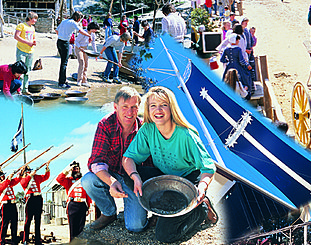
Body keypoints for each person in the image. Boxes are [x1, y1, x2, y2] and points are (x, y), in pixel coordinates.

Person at [121, 86, 217, 243]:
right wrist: (135, 177)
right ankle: (164, 210)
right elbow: (128, 158)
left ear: (171, 108)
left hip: (187, 179)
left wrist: (201, 188)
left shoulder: (186, 135)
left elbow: (208, 168)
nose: (157, 110)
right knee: (128, 175)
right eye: (153, 105)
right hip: (165, 177)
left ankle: (201, 209)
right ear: (148, 109)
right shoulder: (148, 129)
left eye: (163, 105)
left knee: (165, 236)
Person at [81, 87, 148, 232]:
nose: (129, 112)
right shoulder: (105, 124)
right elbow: (96, 161)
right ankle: (109, 212)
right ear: (115, 107)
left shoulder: (144, 128)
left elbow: (150, 163)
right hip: (110, 174)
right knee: (88, 180)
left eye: (134, 107)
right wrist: (112, 182)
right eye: (125, 107)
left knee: (136, 227)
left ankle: (136, 209)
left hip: (133, 177)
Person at [56, 161, 92, 242]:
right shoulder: (68, 181)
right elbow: (59, 179)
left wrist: (89, 206)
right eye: (74, 169)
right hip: (72, 205)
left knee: (81, 228)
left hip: (82, 205)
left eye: (77, 168)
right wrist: (68, 170)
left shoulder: (83, 180)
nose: (76, 170)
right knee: (73, 228)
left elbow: (88, 194)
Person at [55, 11, 92, 89]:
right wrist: (89, 35)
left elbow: (56, 30)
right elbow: (81, 31)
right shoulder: (73, 23)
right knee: (64, 63)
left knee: (63, 62)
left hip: (59, 42)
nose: (80, 20)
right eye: (80, 19)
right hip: (65, 43)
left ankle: (62, 80)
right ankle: (61, 82)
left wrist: (63, 35)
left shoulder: (64, 21)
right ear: (77, 18)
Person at [20, 165, 50, 245]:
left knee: (38, 220)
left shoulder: (36, 177)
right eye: (28, 171)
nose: (29, 172)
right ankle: (25, 239)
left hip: (38, 198)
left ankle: (37, 240)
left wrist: (47, 169)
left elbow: (45, 177)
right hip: (30, 199)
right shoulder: (24, 179)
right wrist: (30, 175)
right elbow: (23, 183)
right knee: (28, 220)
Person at [220, 34, 253, 99]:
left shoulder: (226, 49)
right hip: (238, 66)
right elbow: (241, 61)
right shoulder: (238, 49)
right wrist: (247, 65)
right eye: (237, 40)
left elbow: (222, 59)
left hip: (229, 66)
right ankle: (244, 93)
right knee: (245, 78)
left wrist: (228, 61)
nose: (238, 41)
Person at [14, 12, 37, 95]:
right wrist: (27, 42)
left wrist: (34, 42)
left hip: (30, 51)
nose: (36, 20)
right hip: (21, 50)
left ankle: (25, 89)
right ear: (30, 18)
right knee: (20, 70)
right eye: (35, 18)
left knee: (28, 71)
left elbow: (33, 38)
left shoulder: (33, 28)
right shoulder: (21, 25)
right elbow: (16, 36)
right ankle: (18, 89)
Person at [0, 171, 22, 245]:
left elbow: (16, 181)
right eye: (2, 175)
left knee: (14, 223)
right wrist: (8, 178)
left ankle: (14, 239)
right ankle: (1, 240)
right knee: (4, 224)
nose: (3, 176)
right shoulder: (4, 182)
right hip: (5, 204)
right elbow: (2, 187)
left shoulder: (7, 182)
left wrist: (19, 174)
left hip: (12, 204)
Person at [74, 22, 99, 87]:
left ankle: (84, 81)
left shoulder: (93, 34)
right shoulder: (83, 32)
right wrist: (80, 48)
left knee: (86, 64)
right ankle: (79, 80)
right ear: (91, 28)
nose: (95, 31)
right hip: (78, 47)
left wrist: (95, 53)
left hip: (85, 48)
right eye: (95, 29)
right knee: (81, 62)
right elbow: (76, 41)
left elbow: (93, 43)